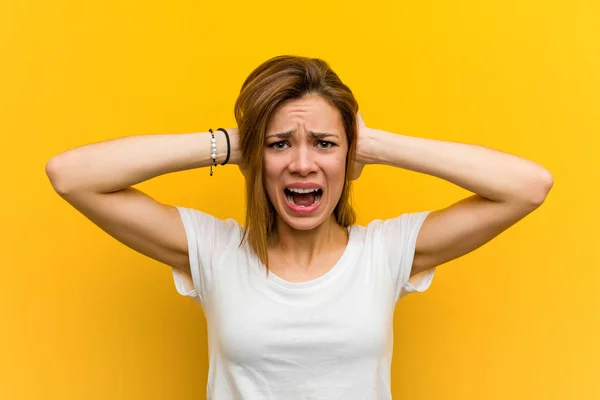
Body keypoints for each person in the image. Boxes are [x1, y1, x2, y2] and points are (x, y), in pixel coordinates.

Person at [45, 55, 554, 399]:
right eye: (280, 144)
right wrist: (230, 142)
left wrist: (371, 145)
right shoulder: (215, 251)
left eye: (325, 145)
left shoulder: (385, 253)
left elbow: (529, 186)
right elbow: (71, 176)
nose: (303, 165)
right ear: (256, 157)